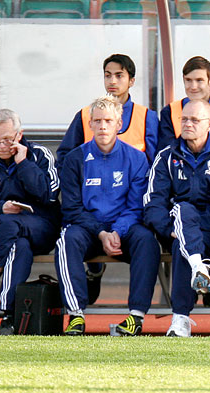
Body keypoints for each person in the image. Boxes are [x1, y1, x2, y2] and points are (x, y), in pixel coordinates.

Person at [56, 53, 159, 303]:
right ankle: (76, 309)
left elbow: (155, 164)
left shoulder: (148, 118)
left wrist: (118, 228)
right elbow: (65, 156)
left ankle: (136, 313)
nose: (112, 81)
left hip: (127, 213)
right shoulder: (83, 115)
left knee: (146, 240)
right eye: (107, 75)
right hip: (88, 212)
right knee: (68, 238)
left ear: (131, 80)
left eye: (119, 75)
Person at [143, 99, 210, 337]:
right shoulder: (165, 157)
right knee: (182, 220)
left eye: (195, 120)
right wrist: (170, 230)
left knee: (183, 220)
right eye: (184, 119)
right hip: (174, 232)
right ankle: (193, 284)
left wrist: (190, 229)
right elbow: (152, 203)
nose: (187, 124)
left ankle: (181, 318)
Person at [0, 109, 60, 335]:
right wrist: (1, 208)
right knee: (18, 243)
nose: (1, 145)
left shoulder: (40, 155)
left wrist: (23, 163)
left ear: (20, 134)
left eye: (7, 139)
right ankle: (9, 315)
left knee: (11, 224)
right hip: (5, 236)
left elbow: (48, 195)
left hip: (43, 227)